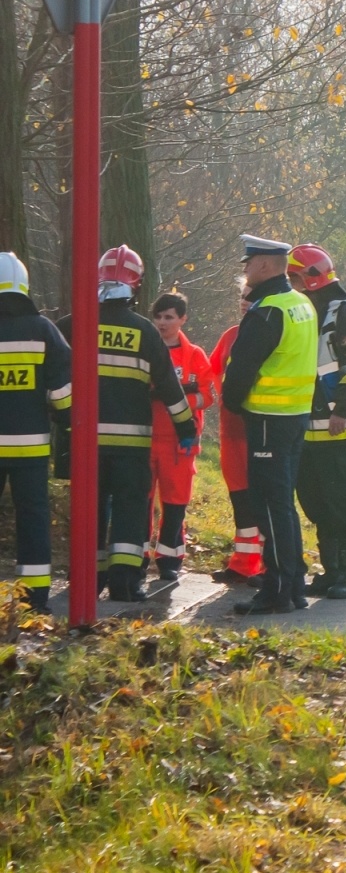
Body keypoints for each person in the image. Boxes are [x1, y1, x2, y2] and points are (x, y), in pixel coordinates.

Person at [57, 246, 196, 602]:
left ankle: (88, 580)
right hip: (131, 446)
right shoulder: (145, 331)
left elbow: (50, 375)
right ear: (136, 285)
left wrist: (59, 420)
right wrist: (187, 429)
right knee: (130, 511)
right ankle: (125, 584)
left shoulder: (72, 325)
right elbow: (170, 388)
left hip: (85, 441)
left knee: (89, 510)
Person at [222, 235, 317, 615]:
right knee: (283, 505)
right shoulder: (301, 304)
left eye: (248, 263)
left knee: (268, 505)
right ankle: (292, 586)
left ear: (263, 265)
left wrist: (232, 401)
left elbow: (241, 369)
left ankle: (277, 589)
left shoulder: (267, 311)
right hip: (295, 417)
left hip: (267, 420)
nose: (245, 270)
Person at [286, 243, 346, 600]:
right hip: (310, 429)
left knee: (340, 503)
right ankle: (332, 571)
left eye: (293, 278)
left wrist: (342, 410)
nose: (289, 285)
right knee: (315, 502)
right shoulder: (312, 311)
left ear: (310, 278)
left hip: (339, 427)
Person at [0, 253, 71, 613]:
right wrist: (65, 419)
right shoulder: (43, 330)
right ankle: (34, 599)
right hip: (30, 446)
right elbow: (63, 390)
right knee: (33, 516)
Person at [146, 292, 217, 582]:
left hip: (180, 441)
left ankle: (169, 558)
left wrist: (178, 402)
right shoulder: (145, 350)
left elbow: (208, 395)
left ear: (182, 319)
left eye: (169, 317)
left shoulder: (195, 355)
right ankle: (137, 557)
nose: (162, 322)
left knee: (175, 502)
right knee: (141, 499)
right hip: (145, 437)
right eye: (158, 317)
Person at [207, 283, 266, 585]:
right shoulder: (230, 335)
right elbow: (212, 371)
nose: (245, 302)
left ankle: (269, 565)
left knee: (263, 497)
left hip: (260, 428)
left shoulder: (269, 333)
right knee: (240, 498)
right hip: (231, 431)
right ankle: (244, 563)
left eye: (251, 297)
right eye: (243, 297)